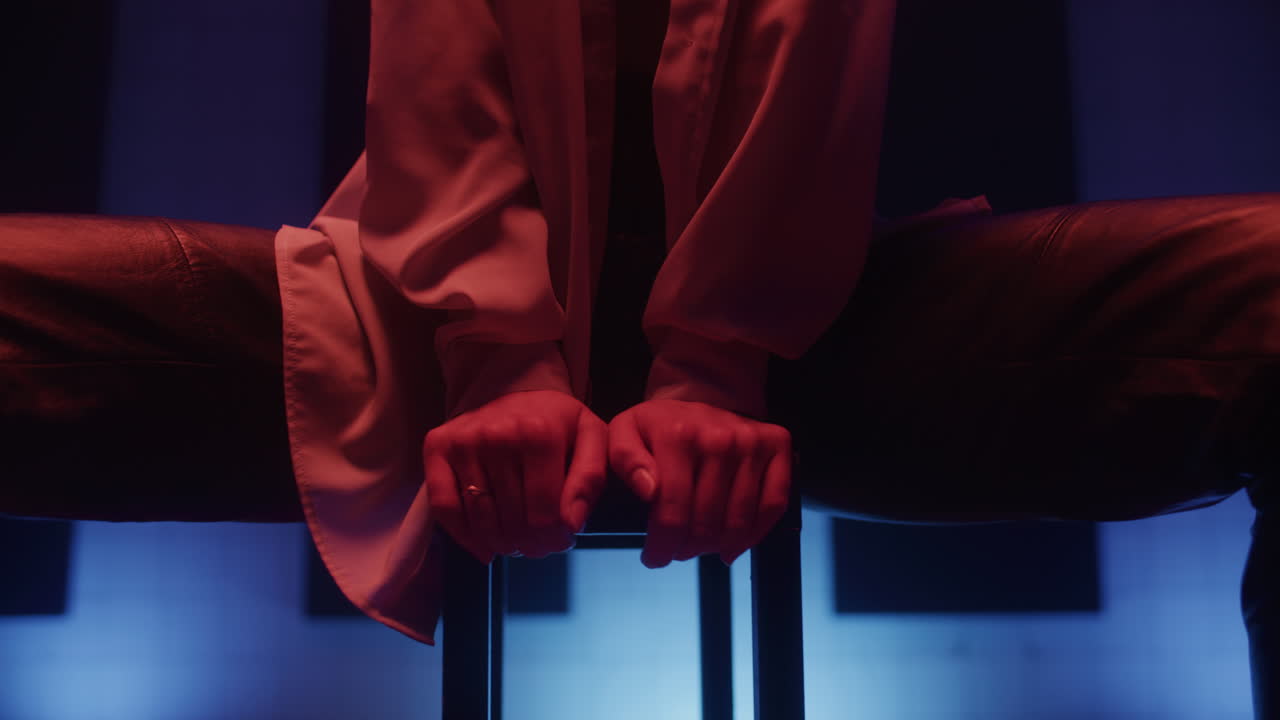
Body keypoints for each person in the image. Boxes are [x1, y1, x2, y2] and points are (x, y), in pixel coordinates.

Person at [2, 0, 1278, 714]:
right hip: (408, 314)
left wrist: (720, 356)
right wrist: (496, 351)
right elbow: (436, 66)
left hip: (815, 315)